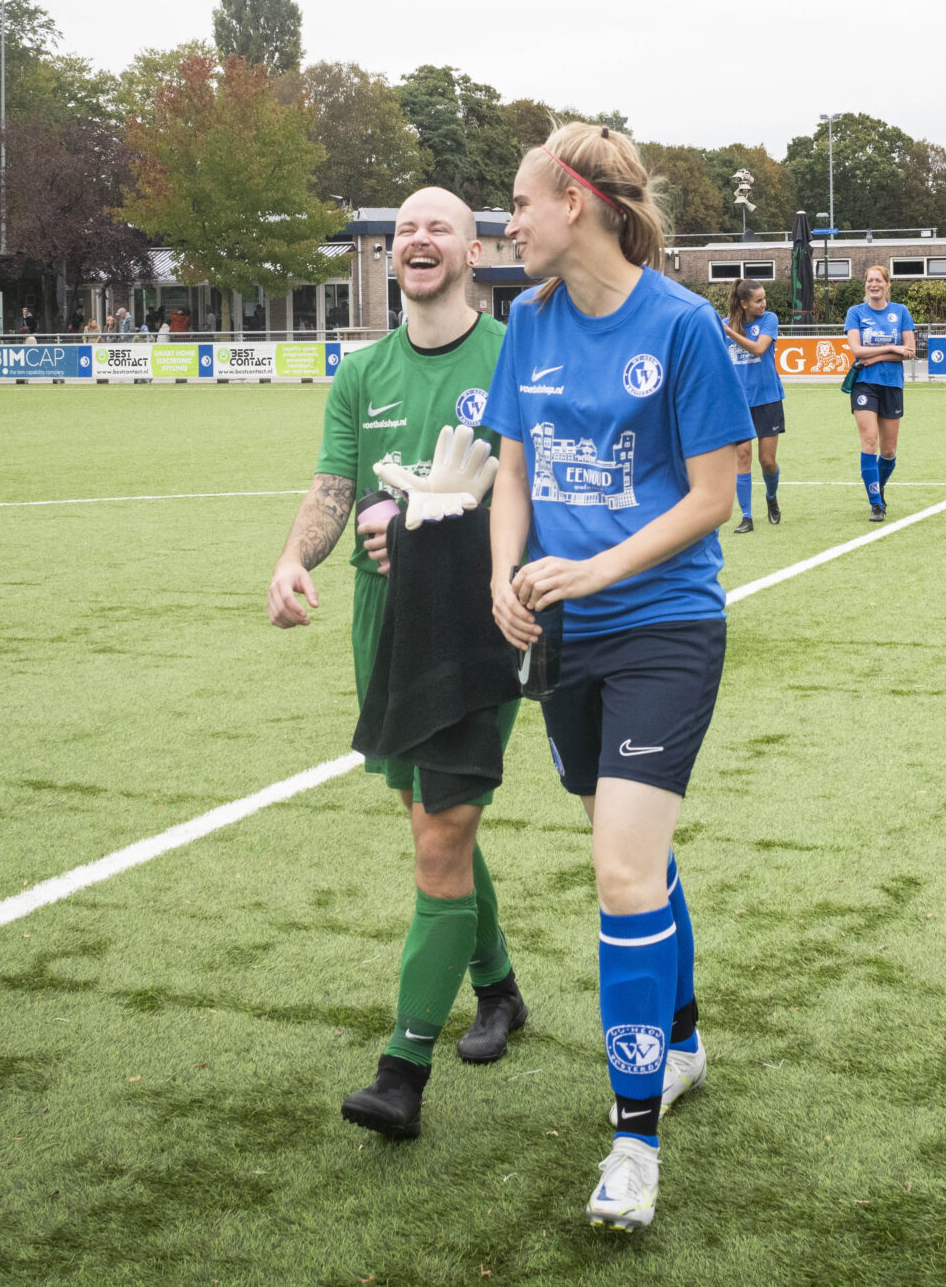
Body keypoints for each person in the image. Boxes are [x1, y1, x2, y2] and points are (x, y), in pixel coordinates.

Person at [485, 123, 750, 1233]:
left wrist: (593, 565)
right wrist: (505, 573)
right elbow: (513, 468)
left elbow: (710, 499)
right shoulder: (527, 324)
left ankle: (632, 1142)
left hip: (662, 625)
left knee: (619, 872)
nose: (510, 224)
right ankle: (681, 1044)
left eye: (522, 205)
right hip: (565, 637)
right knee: (633, 851)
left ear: (579, 203)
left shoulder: (682, 327)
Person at [266, 185, 534, 1143]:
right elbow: (336, 483)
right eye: (406, 230)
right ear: (391, 256)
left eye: (441, 228)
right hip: (384, 631)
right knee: (435, 818)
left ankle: (401, 1070)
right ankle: (499, 988)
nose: (420, 240)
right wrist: (298, 556)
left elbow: (529, 490)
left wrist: (427, 523)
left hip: (481, 626)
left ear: (475, 247)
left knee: (440, 830)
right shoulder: (363, 370)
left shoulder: (513, 357)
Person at [843, 265, 915, 522]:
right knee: (869, 442)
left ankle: (879, 485)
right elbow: (857, 351)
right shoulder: (855, 313)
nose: (874, 284)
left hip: (892, 384)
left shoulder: (901, 311)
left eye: (878, 280)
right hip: (865, 383)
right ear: (866, 285)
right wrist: (891, 349)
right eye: (870, 281)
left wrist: (882, 355)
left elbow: (910, 350)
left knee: (888, 451)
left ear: (887, 285)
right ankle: (875, 503)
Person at [720, 279, 784, 532]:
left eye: (764, 298)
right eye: (758, 300)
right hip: (737, 403)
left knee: (767, 461)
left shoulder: (769, 319)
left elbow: (759, 349)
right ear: (744, 303)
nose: (763, 303)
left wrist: (728, 332)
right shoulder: (724, 325)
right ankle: (746, 516)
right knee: (742, 455)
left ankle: (771, 497)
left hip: (767, 399)